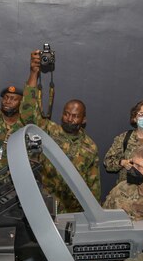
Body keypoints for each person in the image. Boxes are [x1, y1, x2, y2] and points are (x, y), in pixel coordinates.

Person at [20, 50, 100, 213]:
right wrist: (34, 73)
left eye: (75, 116)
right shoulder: (47, 131)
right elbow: (28, 114)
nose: (69, 119)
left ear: (83, 120)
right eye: (66, 114)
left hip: (73, 213)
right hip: (44, 207)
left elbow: (93, 186)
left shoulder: (90, 147)